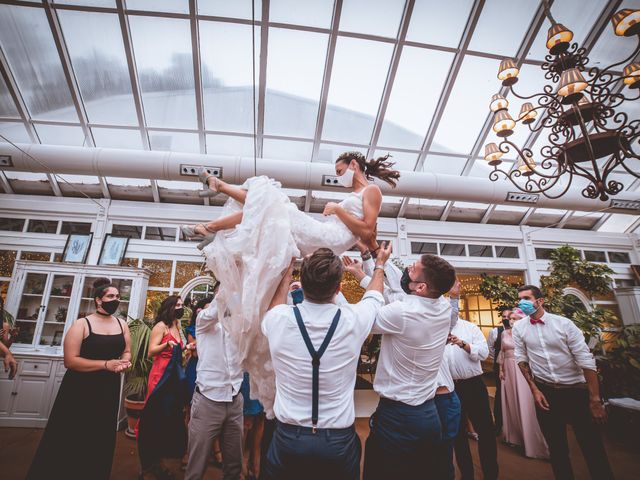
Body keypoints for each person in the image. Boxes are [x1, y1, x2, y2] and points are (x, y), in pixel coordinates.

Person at [189, 152, 401, 416]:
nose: (338, 177)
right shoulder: (361, 195)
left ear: (354, 165)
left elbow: (368, 230)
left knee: (272, 201)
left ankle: (216, 203)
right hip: (325, 234)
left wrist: (338, 210)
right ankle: (211, 225)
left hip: (327, 237)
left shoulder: (372, 191)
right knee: (270, 211)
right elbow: (366, 236)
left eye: (339, 171)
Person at [261, 244, 390, 480]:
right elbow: (375, 295)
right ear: (339, 288)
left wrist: (287, 271)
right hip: (336, 442)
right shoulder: (353, 319)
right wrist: (379, 264)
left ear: (303, 286)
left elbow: (276, 306)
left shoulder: (278, 319)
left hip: (288, 439)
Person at [362, 250, 457, 480]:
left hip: (398, 417)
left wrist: (379, 266)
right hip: (429, 414)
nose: (406, 270)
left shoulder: (403, 312)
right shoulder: (443, 307)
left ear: (421, 287)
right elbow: (397, 292)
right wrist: (370, 255)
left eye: (412, 268)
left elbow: (364, 317)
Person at [27, 278, 131, 480]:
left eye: (117, 296)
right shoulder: (82, 324)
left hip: (108, 388)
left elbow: (127, 351)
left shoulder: (122, 325)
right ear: (98, 300)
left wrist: (125, 362)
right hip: (79, 389)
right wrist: (105, 365)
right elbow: (70, 361)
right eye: (111, 296)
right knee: (72, 435)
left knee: (99, 436)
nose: (116, 300)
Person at [513, 285, 614, 480]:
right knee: (557, 449)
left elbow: (586, 360)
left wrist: (594, 399)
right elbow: (521, 358)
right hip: (546, 392)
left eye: (526, 298)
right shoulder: (519, 328)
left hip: (575, 391)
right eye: (520, 299)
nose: (521, 303)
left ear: (540, 301)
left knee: (591, 446)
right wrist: (534, 390)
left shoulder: (564, 324)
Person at [185, 286, 244, 480]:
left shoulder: (239, 325)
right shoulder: (204, 321)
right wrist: (230, 276)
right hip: (208, 401)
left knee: (234, 465)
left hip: (235, 399)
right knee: (197, 466)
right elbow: (215, 309)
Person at [138, 295, 188, 480]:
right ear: (169, 307)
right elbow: (151, 351)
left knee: (168, 417)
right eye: (177, 305)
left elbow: (178, 349)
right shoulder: (160, 326)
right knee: (154, 416)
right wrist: (166, 344)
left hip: (174, 377)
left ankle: (158, 462)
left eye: (182, 305)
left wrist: (186, 347)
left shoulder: (177, 325)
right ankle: (147, 467)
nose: (180, 308)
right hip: (160, 376)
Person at [448, 315, 498, 480]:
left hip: (473, 385)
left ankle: (491, 474)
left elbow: (484, 354)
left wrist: (463, 344)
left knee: (486, 431)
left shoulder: (470, 328)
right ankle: (466, 475)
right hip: (449, 388)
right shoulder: (434, 330)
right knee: (458, 434)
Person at [498, 308, 549, 458]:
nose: (511, 321)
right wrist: (501, 369)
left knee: (525, 402)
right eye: (510, 319)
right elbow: (502, 352)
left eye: (515, 319)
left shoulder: (526, 333)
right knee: (512, 402)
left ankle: (532, 441)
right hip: (507, 369)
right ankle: (515, 437)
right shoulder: (504, 333)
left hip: (521, 369)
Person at [487, 308, 511, 434]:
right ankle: (498, 423)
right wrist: (497, 360)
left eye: (508, 316)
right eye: (504, 316)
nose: (506, 318)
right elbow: (490, 348)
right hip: (500, 366)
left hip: (515, 367)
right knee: (500, 393)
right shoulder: (495, 331)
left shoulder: (518, 331)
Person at [240, 372, 265, 480]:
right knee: (246, 422)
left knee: (260, 420)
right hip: (249, 371)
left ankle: (255, 467)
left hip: (265, 374)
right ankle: (241, 469)